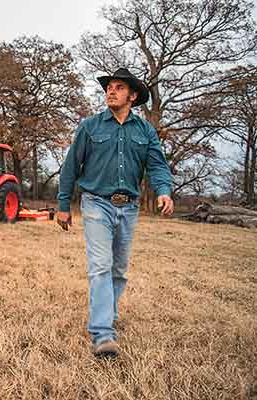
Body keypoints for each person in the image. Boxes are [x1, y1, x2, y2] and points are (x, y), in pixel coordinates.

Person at [56, 68, 174, 358]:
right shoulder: (90, 127)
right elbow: (71, 167)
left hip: (129, 207)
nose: (111, 91)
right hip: (96, 203)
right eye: (109, 87)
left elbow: (157, 164)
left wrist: (163, 190)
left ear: (132, 96)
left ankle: (108, 312)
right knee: (100, 265)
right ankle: (103, 333)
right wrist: (62, 206)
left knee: (119, 270)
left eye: (119, 87)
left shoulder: (144, 130)